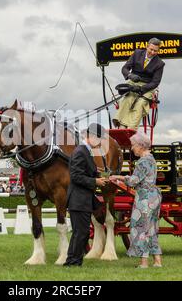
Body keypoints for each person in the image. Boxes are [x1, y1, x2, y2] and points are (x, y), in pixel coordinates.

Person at [110, 132, 162, 268]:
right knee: (151, 229)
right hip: (154, 196)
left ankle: (144, 263)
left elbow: (133, 181)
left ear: (140, 146)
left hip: (145, 198)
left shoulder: (143, 161)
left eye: (133, 145)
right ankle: (157, 261)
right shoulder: (151, 158)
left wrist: (119, 177)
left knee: (139, 228)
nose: (132, 148)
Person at [63, 123, 108, 267]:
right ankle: (72, 262)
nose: (101, 143)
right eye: (100, 139)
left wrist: (107, 176)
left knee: (81, 232)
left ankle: (73, 261)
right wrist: (95, 181)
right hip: (78, 199)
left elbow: (89, 172)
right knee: (80, 232)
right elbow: (76, 176)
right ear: (92, 137)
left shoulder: (85, 151)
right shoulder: (81, 152)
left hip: (82, 199)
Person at [113, 38, 165, 130]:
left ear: (158, 50)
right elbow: (124, 68)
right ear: (147, 46)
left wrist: (141, 89)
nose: (152, 52)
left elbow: (155, 82)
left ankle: (131, 129)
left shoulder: (160, 64)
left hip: (147, 87)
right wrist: (130, 75)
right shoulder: (137, 53)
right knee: (127, 100)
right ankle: (120, 125)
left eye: (155, 51)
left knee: (140, 103)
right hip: (133, 82)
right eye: (151, 49)